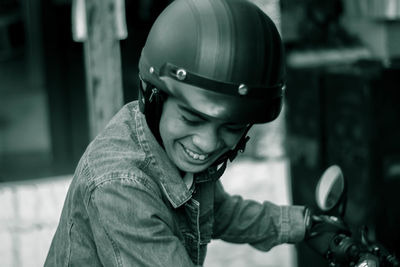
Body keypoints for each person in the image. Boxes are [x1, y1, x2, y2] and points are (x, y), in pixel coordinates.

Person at [45, 0, 314, 266]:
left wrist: (305, 224)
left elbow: (220, 212)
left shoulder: (169, 147)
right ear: (153, 99)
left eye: (231, 127)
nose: (207, 144)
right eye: (191, 118)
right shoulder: (120, 185)